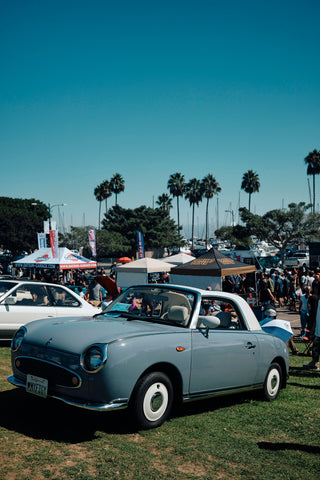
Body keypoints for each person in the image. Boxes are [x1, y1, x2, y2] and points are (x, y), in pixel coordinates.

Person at [304, 284, 320, 370]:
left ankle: (314, 363)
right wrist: (314, 328)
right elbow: (317, 316)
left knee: (315, 348)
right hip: (318, 330)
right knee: (315, 348)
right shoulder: (318, 300)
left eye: (316, 289)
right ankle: (314, 363)